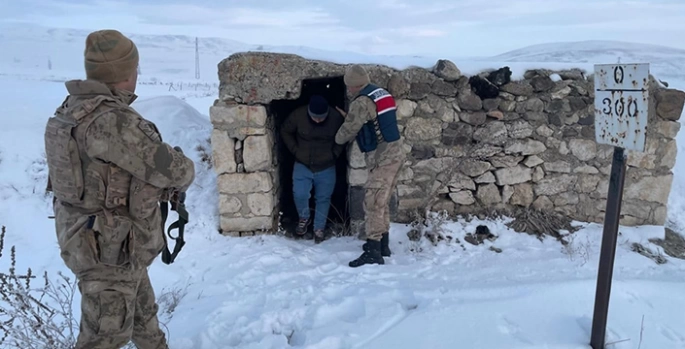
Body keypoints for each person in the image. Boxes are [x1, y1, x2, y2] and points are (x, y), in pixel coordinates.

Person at [43, 29, 195, 348]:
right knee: (104, 340)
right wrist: (178, 162)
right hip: (108, 254)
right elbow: (176, 171)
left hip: (101, 244)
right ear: (126, 72)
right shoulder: (112, 122)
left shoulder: (72, 108)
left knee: (144, 324)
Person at [334, 65, 405, 268]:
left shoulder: (362, 101)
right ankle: (383, 244)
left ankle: (374, 250)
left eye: (348, 86)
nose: (348, 90)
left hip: (382, 157)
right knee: (382, 199)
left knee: (373, 201)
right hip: (396, 153)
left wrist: (336, 139)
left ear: (352, 86)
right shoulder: (380, 93)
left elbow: (349, 130)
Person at [280, 95, 345, 243]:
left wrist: (335, 153)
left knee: (323, 198)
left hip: (326, 165)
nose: (317, 120)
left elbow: (345, 134)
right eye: (314, 117)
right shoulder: (298, 115)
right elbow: (285, 130)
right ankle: (304, 218)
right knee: (300, 194)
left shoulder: (335, 118)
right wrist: (295, 150)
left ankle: (319, 228)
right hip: (303, 163)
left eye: (321, 118)